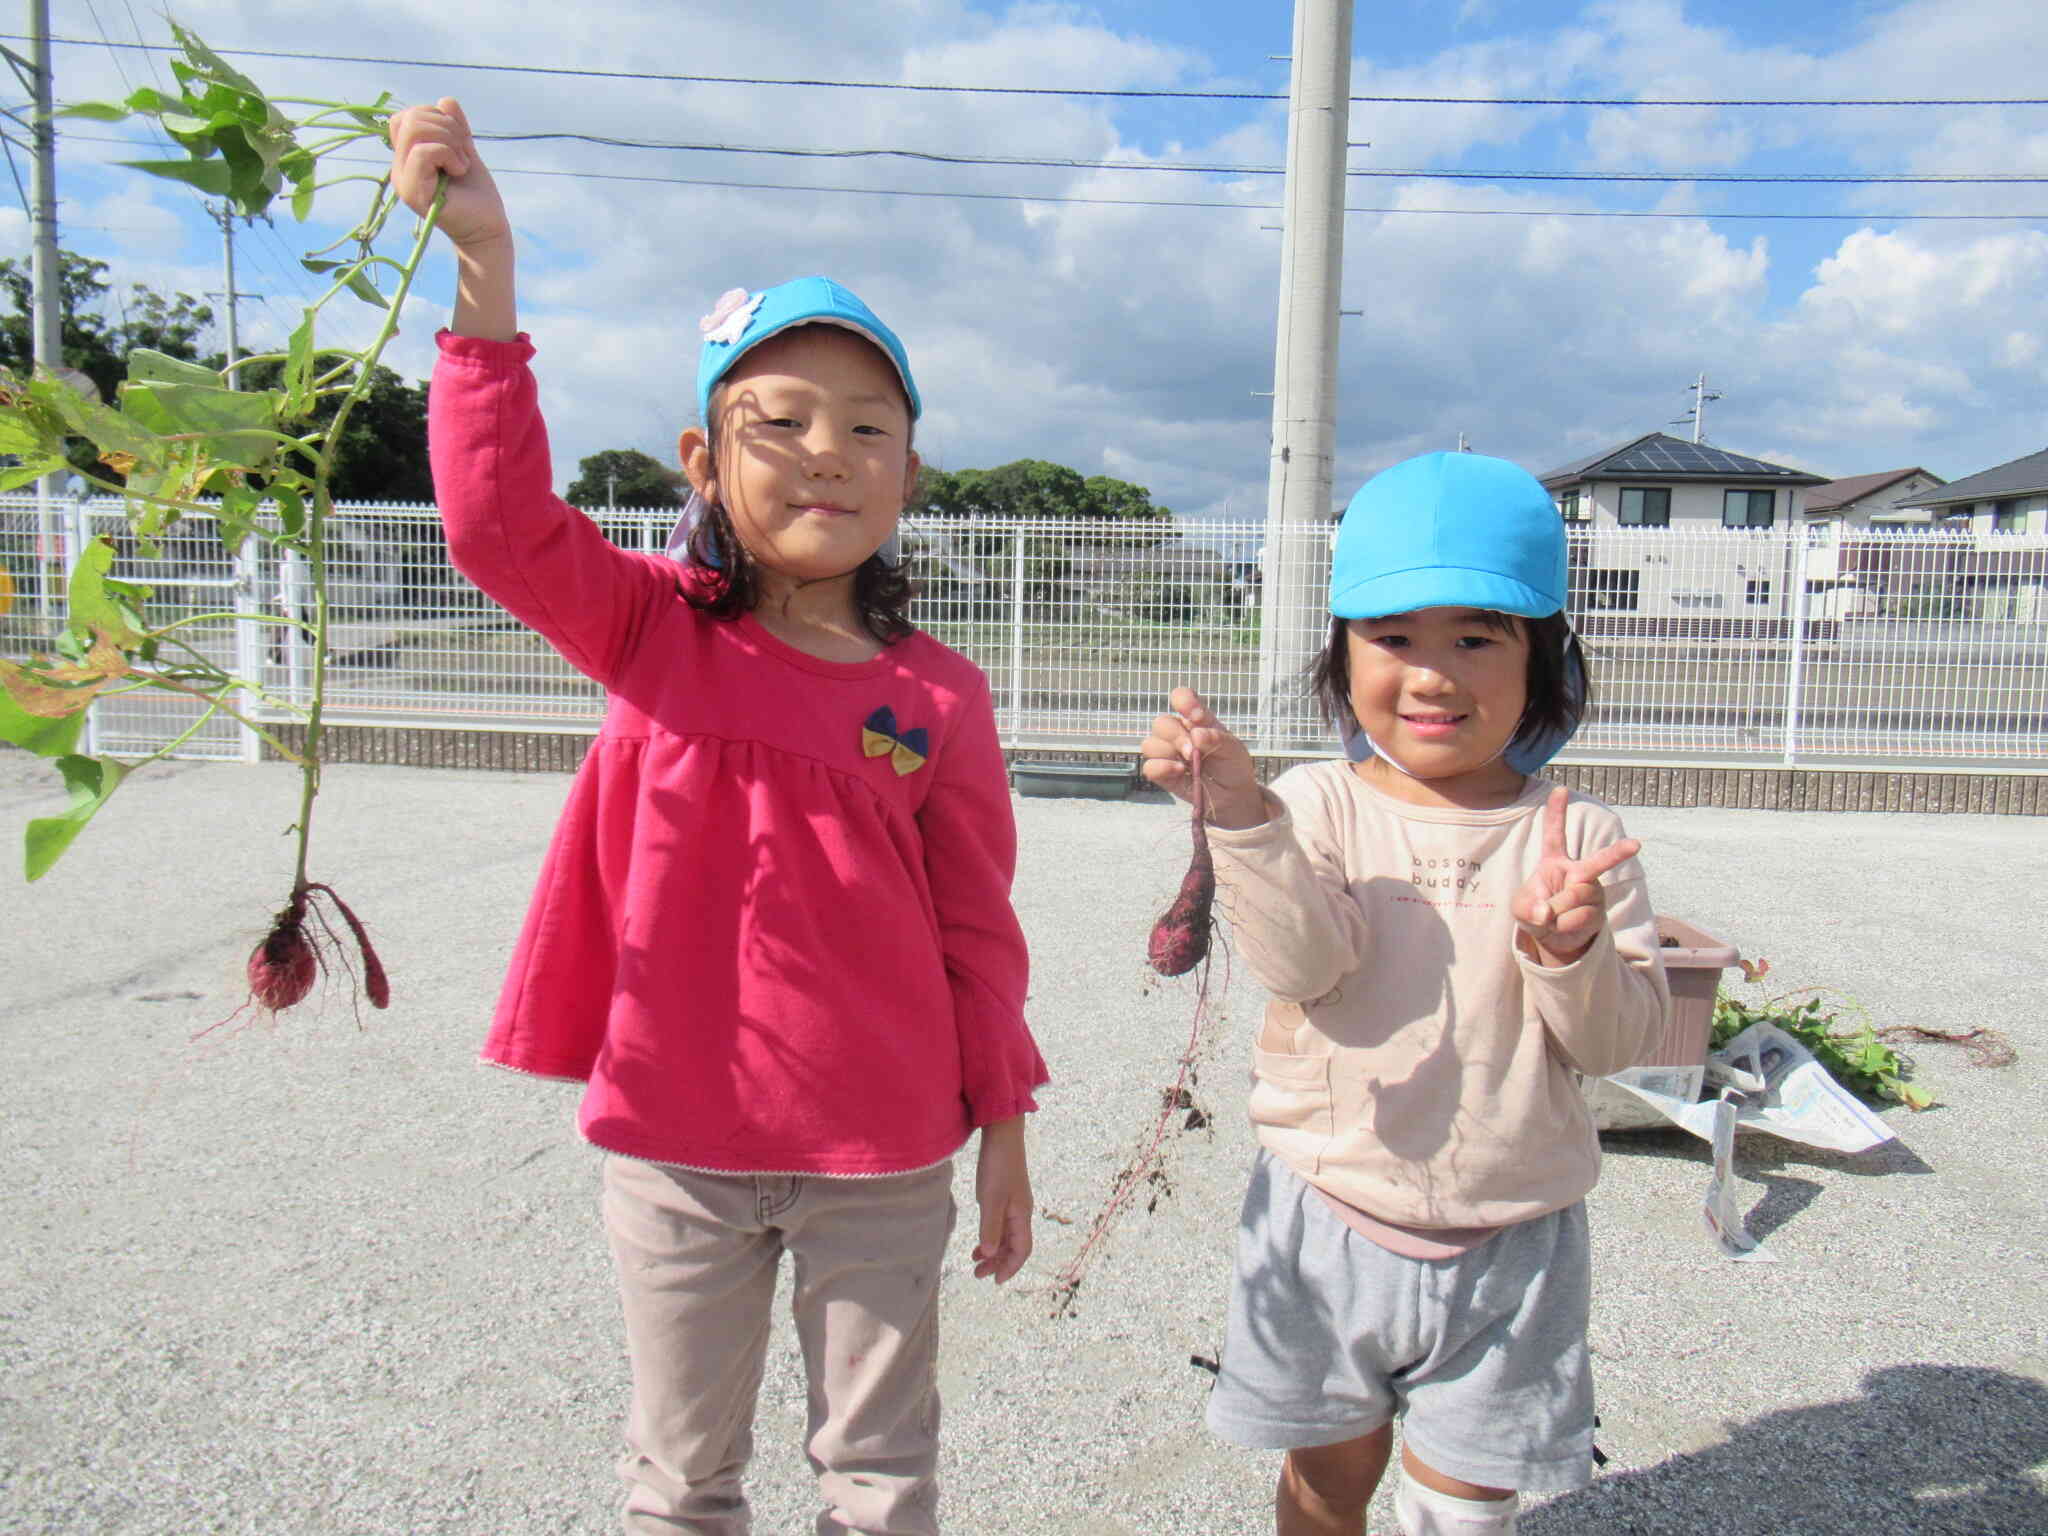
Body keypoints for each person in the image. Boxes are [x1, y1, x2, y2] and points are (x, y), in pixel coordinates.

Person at [388, 100, 1047, 1536]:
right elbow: (494, 525)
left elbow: (977, 930)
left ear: (911, 478)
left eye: (869, 428)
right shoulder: (652, 631)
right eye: (782, 422)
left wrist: (1004, 1125)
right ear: (701, 462)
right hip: (678, 1142)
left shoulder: (935, 696)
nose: (827, 453)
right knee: (682, 1481)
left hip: (884, 1148)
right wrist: (484, 271)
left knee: (880, 1480)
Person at [1138, 451, 1669, 1536]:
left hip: (1513, 1237)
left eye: (1476, 638)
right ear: (1340, 653)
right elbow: (1302, 967)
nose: (1432, 675)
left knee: (1465, 1508)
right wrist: (1240, 816)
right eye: (1392, 639)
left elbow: (1617, 1046)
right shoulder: (1315, 804)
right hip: (1326, 1215)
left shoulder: (1577, 839)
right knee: (1326, 1486)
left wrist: (1568, 953)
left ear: (1543, 661)